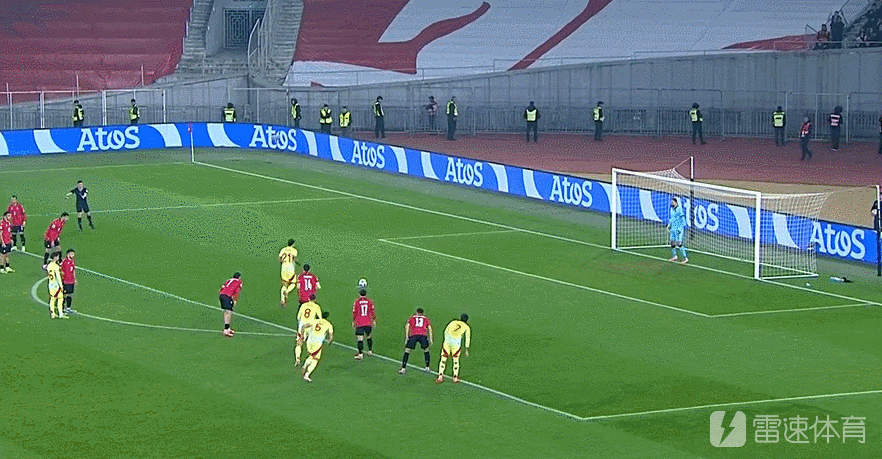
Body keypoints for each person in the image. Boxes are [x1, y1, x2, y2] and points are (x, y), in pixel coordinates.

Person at [435, 313, 471, 384]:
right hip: (456, 343)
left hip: (448, 341)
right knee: (455, 360)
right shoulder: (467, 327)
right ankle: (455, 377)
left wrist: (446, 339)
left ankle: (440, 376)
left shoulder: (453, 322)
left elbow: (445, 331)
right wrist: (467, 349)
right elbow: (467, 339)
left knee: (443, 359)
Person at [300, 311, 333, 382]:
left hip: (309, 340)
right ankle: (307, 374)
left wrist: (302, 333)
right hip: (317, 343)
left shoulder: (315, 321)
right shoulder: (328, 324)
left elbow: (304, 326)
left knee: (311, 356)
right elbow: (331, 336)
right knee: (315, 359)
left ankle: (304, 366)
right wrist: (329, 341)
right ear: (327, 318)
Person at [398, 308, 433, 374]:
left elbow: (407, 326)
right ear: (423, 313)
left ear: (416, 312)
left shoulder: (412, 318)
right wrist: (431, 338)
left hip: (414, 335)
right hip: (423, 335)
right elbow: (429, 328)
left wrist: (406, 337)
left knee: (407, 350)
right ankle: (427, 367)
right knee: (426, 350)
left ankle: (403, 368)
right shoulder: (425, 318)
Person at [295, 294, 323, 366]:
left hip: (302, 325)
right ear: (315, 299)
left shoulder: (303, 305)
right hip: (310, 325)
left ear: (309, 299)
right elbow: (320, 319)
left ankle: (297, 358)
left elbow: (298, 317)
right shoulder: (317, 306)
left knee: (299, 343)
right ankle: (311, 358)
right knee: (311, 342)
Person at [352, 288, 376, 360]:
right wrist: (374, 320)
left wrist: (353, 321)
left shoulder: (357, 302)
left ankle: (360, 354)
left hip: (360, 322)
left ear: (359, 294)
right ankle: (370, 351)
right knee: (368, 336)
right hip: (368, 322)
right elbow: (372, 311)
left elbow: (354, 312)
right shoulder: (369, 301)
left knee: (360, 339)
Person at [219, 272, 242, 337]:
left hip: (222, 295)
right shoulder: (239, 282)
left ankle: (227, 328)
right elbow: (237, 291)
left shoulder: (229, 280)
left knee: (227, 311)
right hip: (227, 296)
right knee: (228, 312)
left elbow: (222, 287)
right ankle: (226, 330)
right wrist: (235, 299)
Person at [667, 197, 688, 264]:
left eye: (673, 202)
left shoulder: (679, 209)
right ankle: (674, 256)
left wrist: (680, 228)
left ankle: (685, 258)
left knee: (679, 243)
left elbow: (683, 220)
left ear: (676, 202)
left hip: (678, 229)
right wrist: (669, 225)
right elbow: (672, 219)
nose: (672, 203)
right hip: (673, 228)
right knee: (672, 242)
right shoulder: (671, 209)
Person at [278, 239, 298, 307]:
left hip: (283, 268)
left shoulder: (283, 249)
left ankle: (282, 300)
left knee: (284, 284)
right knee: (293, 283)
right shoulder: (294, 250)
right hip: (290, 268)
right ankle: (287, 291)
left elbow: (280, 258)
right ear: (293, 244)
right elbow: (294, 258)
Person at [47, 252, 67, 319]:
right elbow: (58, 277)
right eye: (57, 257)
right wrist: (61, 286)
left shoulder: (49, 265)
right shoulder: (56, 266)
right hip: (56, 285)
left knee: (52, 299)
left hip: (51, 284)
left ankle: (52, 313)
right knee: (60, 299)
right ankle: (60, 313)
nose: (58, 258)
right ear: (55, 258)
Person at [60, 249, 77, 314]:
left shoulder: (72, 262)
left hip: (71, 281)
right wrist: (63, 279)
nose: (72, 255)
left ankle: (68, 308)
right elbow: (60, 269)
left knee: (69, 294)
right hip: (66, 281)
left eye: (73, 254)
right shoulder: (64, 261)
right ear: (68, 254)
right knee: (65, 295)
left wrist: (74, 279)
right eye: (71, 254)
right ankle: (62, 308)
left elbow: (73, 271)